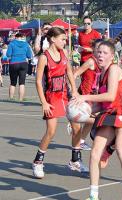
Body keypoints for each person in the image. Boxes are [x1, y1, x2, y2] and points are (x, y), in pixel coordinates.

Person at [74, 40, 122, 200]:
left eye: (104, 53)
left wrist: (84, 97)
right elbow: (101, 105)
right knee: (95, 153)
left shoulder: (114, 69)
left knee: (121, 148)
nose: (100, 55)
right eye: (98, 52)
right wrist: (80, 111)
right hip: (108, 114)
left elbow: (110, 95)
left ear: (112, 56)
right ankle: (93, 195)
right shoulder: (100, 75)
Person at [32, 27, 78, 178]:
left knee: (77, 127)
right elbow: (38, 82)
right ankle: (38, 162)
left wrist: (75, 90)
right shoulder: (44, 57)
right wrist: (44, 103)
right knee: (51, 131)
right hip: (51, 97)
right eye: (63, 39)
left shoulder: (64, 53)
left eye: (65, 39)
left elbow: (70, 72)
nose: (65, 42)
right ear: (53, 39)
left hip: (64, 95)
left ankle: (75, 160)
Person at [72, 39, 102, 151]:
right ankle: (75, 119)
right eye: (98, 48)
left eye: (102, 48)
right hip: (85, 93)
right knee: (95, 119)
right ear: (93, 49)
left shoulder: (102, 62)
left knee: (91, 121)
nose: (100, 51)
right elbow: (75, 73)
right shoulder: (91, 61)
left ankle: (81, 141)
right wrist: (73, 90)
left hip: (94, 94)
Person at [6, 33, 32, 101]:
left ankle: (11, 98)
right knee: (22, 82)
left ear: (15, 37)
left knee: (13, 82)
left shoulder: (11, 44)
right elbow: (29, 55)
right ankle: (21, 98)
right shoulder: (26, 44)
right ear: (22, 37)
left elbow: (8, 54)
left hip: (14, 63)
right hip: (23, 63)